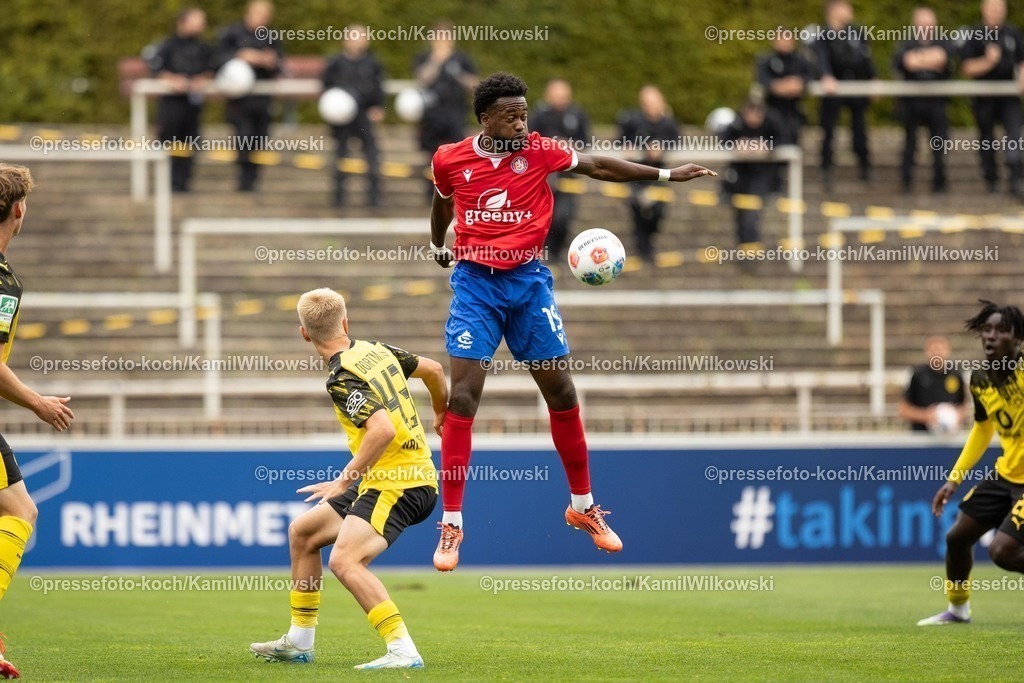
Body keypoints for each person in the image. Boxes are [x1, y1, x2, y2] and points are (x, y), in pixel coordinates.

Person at [428, 72, 716, 571]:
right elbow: (443, 199)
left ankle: (583, 507)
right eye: (511, 116)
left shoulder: (540, 151)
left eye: (524, 114)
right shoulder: (450, 158)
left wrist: (666, 175)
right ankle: (452, 523)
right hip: (476, 285)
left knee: (561, 392)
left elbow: (598, 165)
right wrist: (437, 244)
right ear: (485, 118)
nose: (522, 123)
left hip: (528, 284)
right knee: (464, 397)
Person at [250, 288, 447, 669]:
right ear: (345, 321)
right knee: (304, 533)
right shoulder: (377, 350)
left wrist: (342, 482)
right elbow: (435, 371)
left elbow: (382, 430)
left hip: (400, 483)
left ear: (304, 333)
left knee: (345, 561)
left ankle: (403, 650)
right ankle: (299, 641)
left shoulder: (343, 376)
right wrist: (440, 412)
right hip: (390, 477)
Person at [0, 164, 76, 679]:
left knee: (14, 508)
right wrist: (37, 403)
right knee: (20, 511)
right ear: (19, 210)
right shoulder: (2, 282)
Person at [918, 301, 1024, 626]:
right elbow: (982, 429)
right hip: (1007, 474)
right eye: (987, 330)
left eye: (1001, 330)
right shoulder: (980, 379)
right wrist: (954, 479)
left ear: (1018, 338)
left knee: (1002, 551)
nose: (991, 336)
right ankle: (958, 611)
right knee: (957, 537)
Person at [214, 0, 283, 192]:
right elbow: (216, 59)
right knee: (243, 137)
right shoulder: (232, 34)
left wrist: (270, 62)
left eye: (265, 16)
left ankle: (253, 180)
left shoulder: (271, 36)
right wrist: (240, 56)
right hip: (239, 101)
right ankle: (243, 180)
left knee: (260, 139)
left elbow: (280, 64)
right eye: (258, 14)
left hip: (262, 99)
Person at [959, 0, 1024, 196]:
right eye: (992, 8)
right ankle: (992, 180)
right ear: (984, 10)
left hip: (1009, 97)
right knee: (986, 139)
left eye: (999, 8)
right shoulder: (974, 34)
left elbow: (1022, 60)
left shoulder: (1012, 33)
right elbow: (966, 68)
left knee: (1014, 135)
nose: (996, 12)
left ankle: (1016, 178)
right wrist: (987, 62)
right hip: (984, 98)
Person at [147, 8, 212, 192]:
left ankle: (184, 183)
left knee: (191, 142)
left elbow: (213, 68)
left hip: (192, 105)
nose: (201, 25)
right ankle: (167, 183)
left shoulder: (203, 47)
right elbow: (157, 69)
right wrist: (173, 80)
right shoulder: (167, 45)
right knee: (169, 141)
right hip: (171, 104)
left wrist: (202, 79)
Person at [322, 25, 385, 208]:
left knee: (372, 156)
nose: (357, 41)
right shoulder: (335, 62)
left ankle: (374, 199)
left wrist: (378, 107)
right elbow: (325, 86)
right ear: (345, 40)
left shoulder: (372, 63)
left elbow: (379, 88)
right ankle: (338, 199)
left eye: (361, 37)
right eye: (354, 37)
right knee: (341, 156)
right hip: (342, 119)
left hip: (364, 116)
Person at [413, 20, 478, 199]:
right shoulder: (425, 57)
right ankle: (431, 193)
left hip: (455, 111)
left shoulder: (462, 59)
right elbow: (422, 78)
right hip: (431, 113)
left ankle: (458, 191)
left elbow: (474, 83)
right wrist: (436, 61)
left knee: (458, 152)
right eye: (438, 37)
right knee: (432, 155)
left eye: (446, 37)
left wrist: (458, 74)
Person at [815, 0, 876, 187]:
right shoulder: (822, 35)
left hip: (855, 88)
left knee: (859, 129)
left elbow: (866, 58)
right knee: (828, 130)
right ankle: (826, 168)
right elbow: (820, 59)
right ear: (833, 10)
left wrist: (873, 78)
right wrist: (826, 75)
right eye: (845, 7)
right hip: (833, 91)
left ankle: (864, 166)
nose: (850, 11)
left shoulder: (857, 32)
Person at [617, 85, 680, 264]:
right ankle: (643, 251)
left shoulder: (668, 124)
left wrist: (662, 148)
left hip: (660, 176)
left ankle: (649, 244)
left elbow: (677, 142)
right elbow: (621, 140)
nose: (650, 107)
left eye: (653, 102)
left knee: (658, 211)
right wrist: (629, 147)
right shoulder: (634, 121)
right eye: (646, 103)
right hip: (637, 176)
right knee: (636, 210)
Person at [891, 7, 952, 194]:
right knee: (910, 144)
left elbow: (943, 59)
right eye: (922, 22)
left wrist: (919, 59)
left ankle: (939, 183)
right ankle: (906, 182)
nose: (926, 25)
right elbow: (906, 62)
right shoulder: (906, 43)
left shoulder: (943, 42)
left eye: (928, 22)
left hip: (936, 103)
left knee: (939, 144)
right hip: (911, 104)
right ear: (915, 24)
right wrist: (931, 59)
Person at [531, 78, 590, 258]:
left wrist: (570, 146)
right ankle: (544, 254)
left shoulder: (578, 115)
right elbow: (528, 143)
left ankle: (557, 253)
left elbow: (586, 143)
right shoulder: (538, 116)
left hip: (569, 177)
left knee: (564, 217)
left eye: (564, 95)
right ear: (548, 95)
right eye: (557, 95)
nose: (560, 99)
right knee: (543, 218)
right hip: (543, 177)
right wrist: (551, 147)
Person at [720, 97, 781, 251]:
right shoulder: (736, 124)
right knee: (740, 214)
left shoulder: (771, 123)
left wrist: (767, 147)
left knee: (752, 214)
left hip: (761, 177)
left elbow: (784, 139)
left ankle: (751, 250)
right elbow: (723, 139)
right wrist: (737, 145)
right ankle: (744, 249)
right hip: (739, 178)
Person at [755, 34, 814, 192]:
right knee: (774, 145)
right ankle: (774, 181)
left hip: (793, 112)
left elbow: (810, 76)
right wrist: (779, 86)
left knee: (793, 144)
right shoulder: (767, 60)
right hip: (773, 111)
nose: (784, 43)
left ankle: (789, 182)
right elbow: (763, 80)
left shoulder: (800, 60)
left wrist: (799, 84)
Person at [898, 335, 970, 432]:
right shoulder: (917, 374)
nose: (937, 353)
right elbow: (903, 409)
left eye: (940, 349)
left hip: (949, 436)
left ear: (948, 350)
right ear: (926, 351)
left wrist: (956, 417)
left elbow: (964, 406)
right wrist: (925, 416)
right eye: (934, 349)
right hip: (921, 435)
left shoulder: (956, 374)